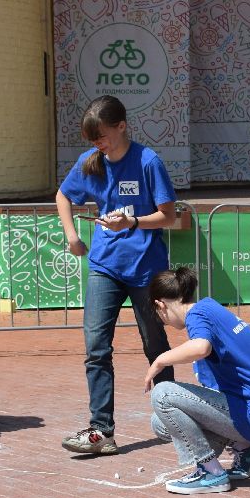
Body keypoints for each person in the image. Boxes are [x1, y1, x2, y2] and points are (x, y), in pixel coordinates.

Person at [55, 94, 178, 455]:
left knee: (155, 347)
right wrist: (72, 236)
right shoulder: (89, 162)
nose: (98, 145)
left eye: (103, 136)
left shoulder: (148, 161)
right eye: (93, 140)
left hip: (145, 270)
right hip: (104, 267)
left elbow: (168, 215)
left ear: (122, 126)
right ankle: (101, 431)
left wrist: (134, 221)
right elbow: (63, 196)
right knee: (96, 348)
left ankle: (174, 416)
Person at [144, 266, 250, 495]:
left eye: (157, 314)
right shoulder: (209, 307)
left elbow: (201, 347)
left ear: (160, 305)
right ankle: (247, 443)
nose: (162, 321)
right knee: (160, 423)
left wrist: (160, 360)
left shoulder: (197, 317)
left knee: (163, 394)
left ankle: (211, 473)